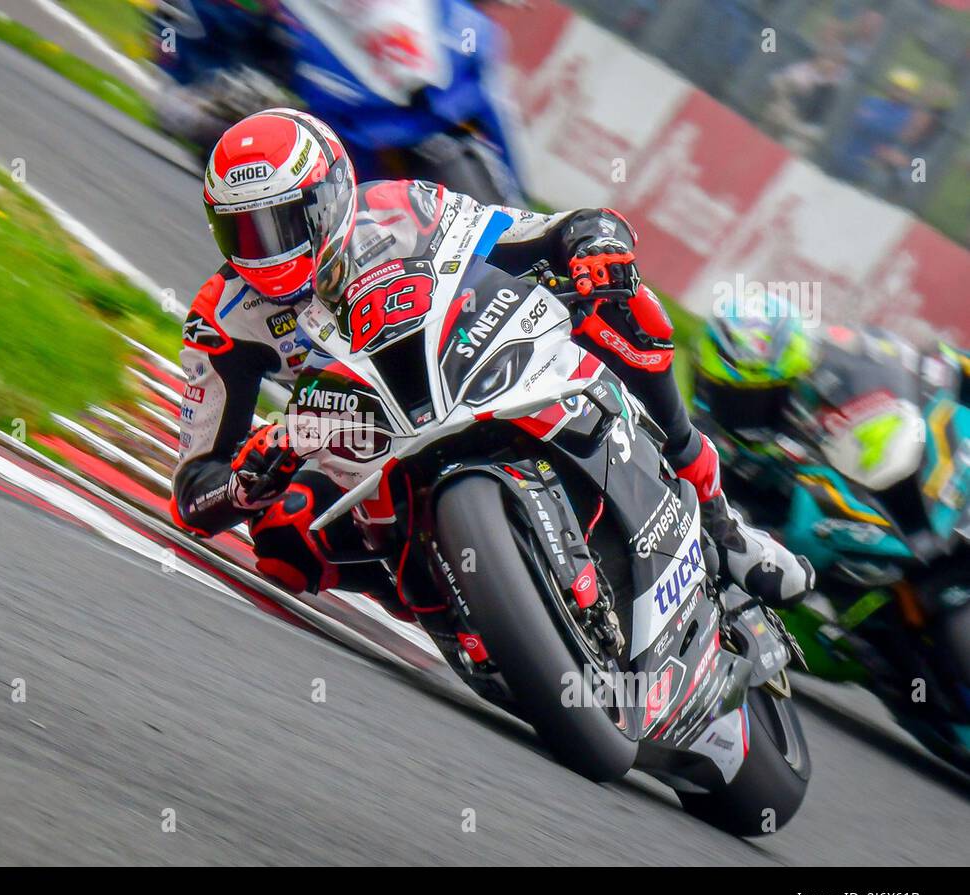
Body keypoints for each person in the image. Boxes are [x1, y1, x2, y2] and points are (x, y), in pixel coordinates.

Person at [170, 108, 815, 609]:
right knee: (283, 540)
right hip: (356, 436)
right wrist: (242, 480)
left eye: (283, 225)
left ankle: (715, 518)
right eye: (243, 233)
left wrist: (592, 238)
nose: (265, 253)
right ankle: (455, 601)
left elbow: (529, 233)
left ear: (330, 196)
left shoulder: (400, 209)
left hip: (471, 357)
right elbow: (193, 492)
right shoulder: (220, 317)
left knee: (625, 307)